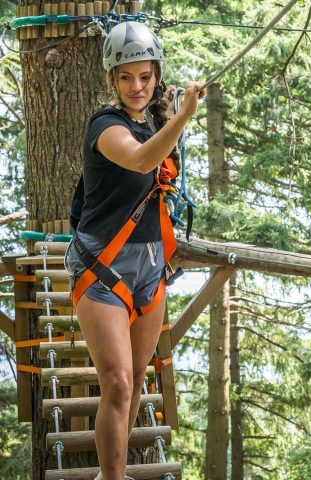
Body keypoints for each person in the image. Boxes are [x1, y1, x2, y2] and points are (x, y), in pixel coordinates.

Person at [65, 21, 204, 480]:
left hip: (149, 267)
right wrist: (184, 118)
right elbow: (142, 160)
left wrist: (173, 118)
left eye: (145, 76)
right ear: (112, 79)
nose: (137, 86)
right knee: (119, 384)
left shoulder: (155, 122)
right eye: (126, 77)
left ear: (156, 74)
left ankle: (116, 469)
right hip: (101, 265)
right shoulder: (104, 127)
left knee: (137, 381)